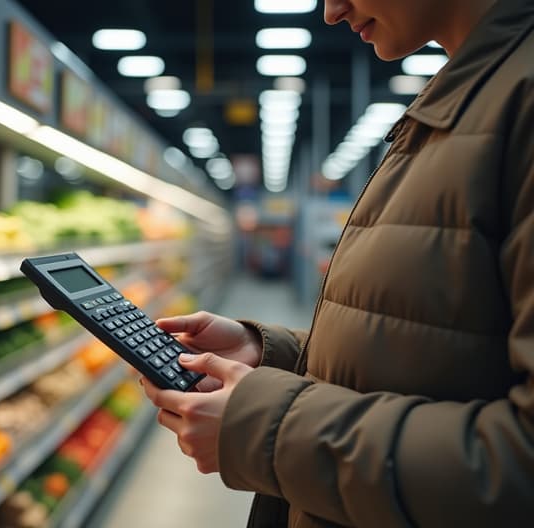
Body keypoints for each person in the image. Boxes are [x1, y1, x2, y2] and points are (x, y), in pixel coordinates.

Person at [141, 0, 534, 526]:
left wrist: (263, 429)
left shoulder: (512, 99)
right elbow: (443, 350)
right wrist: (272, 354)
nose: (330, 11)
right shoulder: (466, 96)